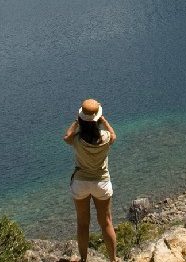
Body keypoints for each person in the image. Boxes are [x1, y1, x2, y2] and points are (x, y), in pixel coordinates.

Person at [63, 99, 118, 262]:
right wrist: (104, 121)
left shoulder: (77, 139)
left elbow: (66, 137)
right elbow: (114, 135)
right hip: (101, 182)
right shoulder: (106, 137)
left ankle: (84, 259)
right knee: (106, 222)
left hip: (80, 183)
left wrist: (77, 121)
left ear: (81, 119)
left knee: (82, 223)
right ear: (98, 119)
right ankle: (113, 259)